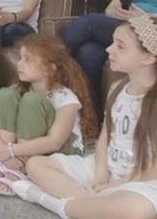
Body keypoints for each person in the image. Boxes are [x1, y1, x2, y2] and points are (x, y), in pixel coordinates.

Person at [13, 14, 157, 219]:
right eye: (112, 42)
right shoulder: (117, 88)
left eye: (120, 46)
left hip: (142, 180)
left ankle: (53, 202)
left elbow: (153, 170)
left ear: (148, 57)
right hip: (107, 169)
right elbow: (105, 136)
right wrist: (101, 174)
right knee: (36, 164)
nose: (109, 49)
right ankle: (92, 207)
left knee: (135, 210)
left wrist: (115, 186)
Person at [0, 35, 98, 196]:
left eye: (27, 60)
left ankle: (19, 167)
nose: (19, 64)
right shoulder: (18, 88)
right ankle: (8, 164)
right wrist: (0, 149)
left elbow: (55, 141)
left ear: (50, 68)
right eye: (20, 58)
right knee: (6, 94)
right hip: (12, 150)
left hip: (60, 150)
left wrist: (11, 150)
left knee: (32, 101)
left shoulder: (65, 97)